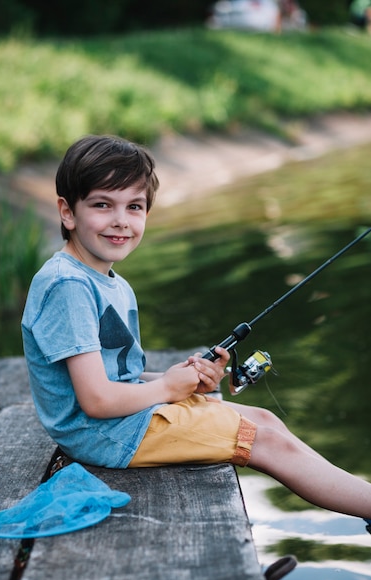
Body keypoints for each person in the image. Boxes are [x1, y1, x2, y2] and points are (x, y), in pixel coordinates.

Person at [22, 134, 371, 525]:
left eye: (134, 206)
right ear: (68, 213)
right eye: (103, 205)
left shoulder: (110, 282)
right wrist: (167, 390)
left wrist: (182, 379)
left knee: (266, 421)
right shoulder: (67, 284)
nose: (121, 220)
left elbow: (120, 376)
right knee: (265, 442)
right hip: (104, 435)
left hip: (118, 423)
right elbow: (97, 400)